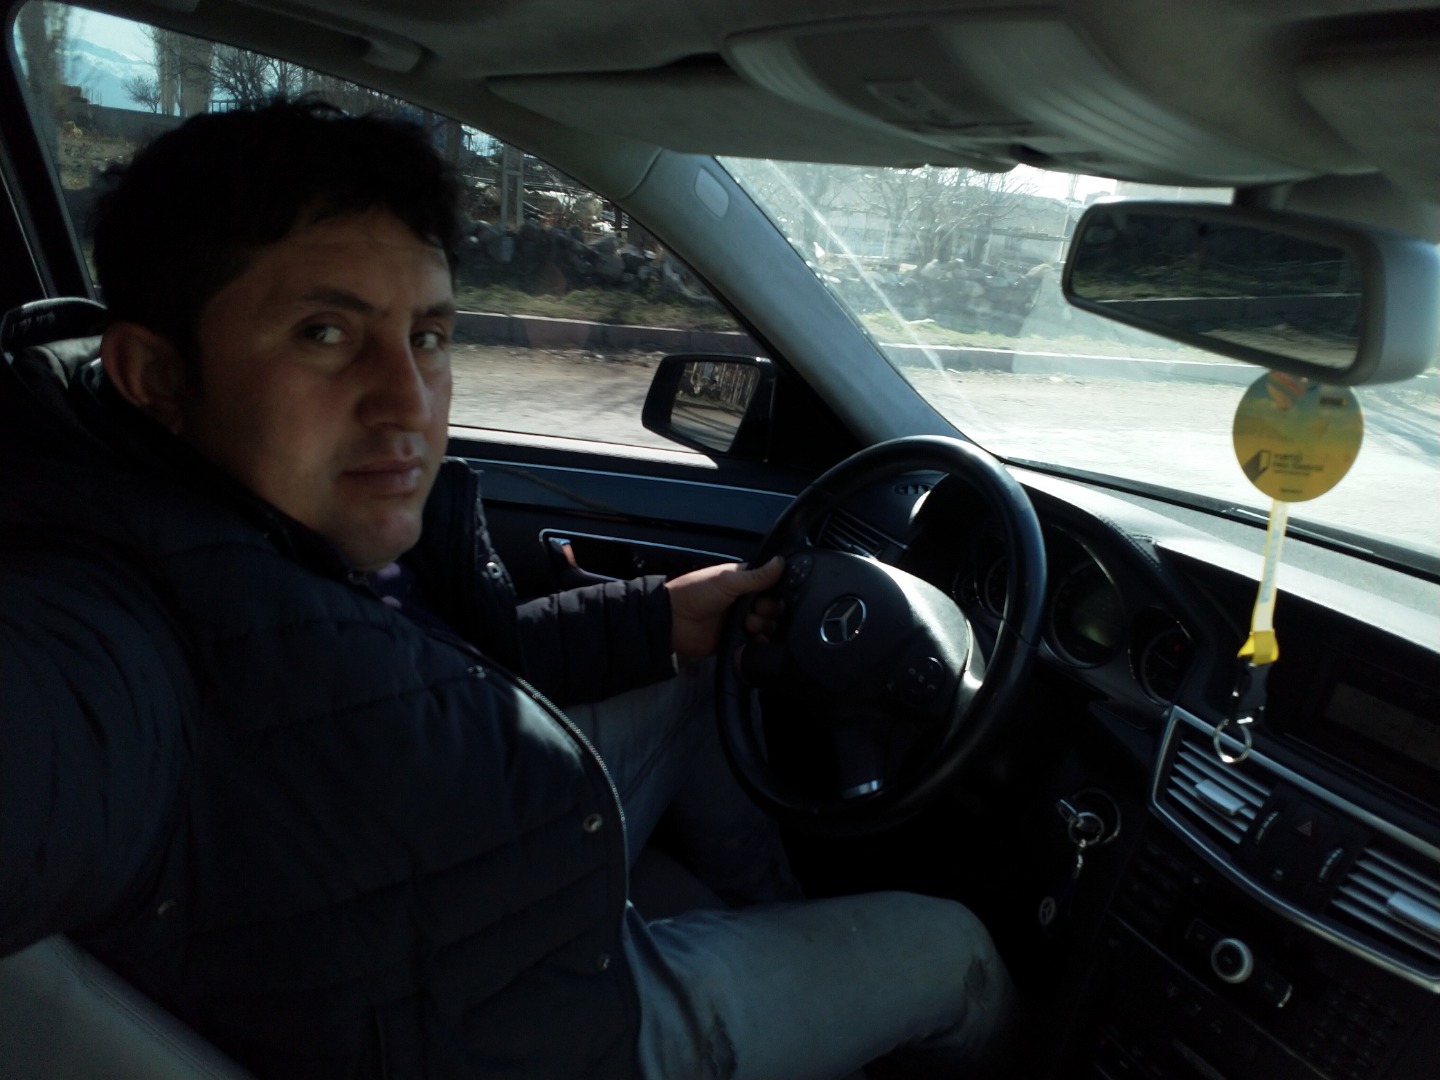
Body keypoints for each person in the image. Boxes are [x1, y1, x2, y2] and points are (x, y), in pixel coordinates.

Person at [0, 100, 1015, 1079]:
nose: (408, 402)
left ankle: (769, 915)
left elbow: (438, 674)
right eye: (324, 333)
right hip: (543, 1035)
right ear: (154, 376)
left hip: (489, 880)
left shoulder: (275, 511)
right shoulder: (97, 617)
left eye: (428, 336)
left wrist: (655, 617)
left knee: (715, 659)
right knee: (956, 948)